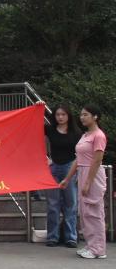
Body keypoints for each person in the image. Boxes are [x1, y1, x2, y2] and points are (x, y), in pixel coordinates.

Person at [60, 105, 107, 259]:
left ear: (95, 117)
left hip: (93, 174)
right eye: (81, 115)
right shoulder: (85, 135)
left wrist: (88, 182)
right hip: (83, 172)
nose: (82, 117)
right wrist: (67, 178)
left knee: (94, 212)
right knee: (85, 212)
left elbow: (97, 160)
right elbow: (78, 159)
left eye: (86, 114)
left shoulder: (98, 136)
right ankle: (90, 245)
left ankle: (98, 249)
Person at [43, 104, 79, 248]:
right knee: (53, 204)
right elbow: (32, 127)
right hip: (53, 167)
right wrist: (39, 107)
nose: (60, 117)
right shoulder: (50, 129)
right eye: (58, 114)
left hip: (70, 167)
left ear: (68, 116)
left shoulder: (76, 133)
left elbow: (81, 153)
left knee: (71, 203)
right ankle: (52, 236)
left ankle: (71, 237)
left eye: (63, 114)